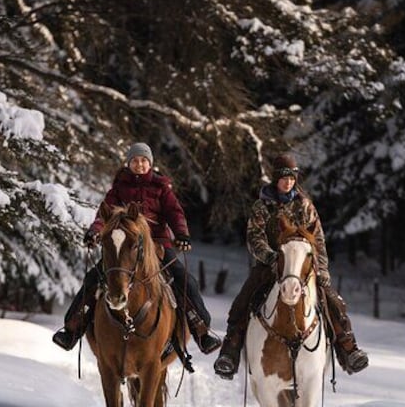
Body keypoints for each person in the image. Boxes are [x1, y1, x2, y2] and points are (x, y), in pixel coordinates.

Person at [53, 142, 222, 355]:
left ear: (150, 163)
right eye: (135, 160)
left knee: (184, 280)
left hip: (157, 245)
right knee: (93, 279)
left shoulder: (161, 188)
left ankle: (202, 331)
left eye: (143, 160)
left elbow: (175, 213)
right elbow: (103, 216)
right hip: (125, 248)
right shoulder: (118, 189)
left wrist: (181, 234)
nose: (139, 164)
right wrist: (95, 231)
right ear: (129, 163)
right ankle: (71, 330)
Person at [213, 153, 369, 379]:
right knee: (242, 301)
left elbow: (318, 240)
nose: (288, 182)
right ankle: (230, 353)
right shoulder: (262, 206)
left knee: (332, 301)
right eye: (284, 177)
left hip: (302, 268)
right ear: (276, 179)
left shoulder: (305, 206)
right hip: (270, 265)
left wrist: (322, 269)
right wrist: (270, 256)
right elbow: (254, 237)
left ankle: (348, 349)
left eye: (292, 178)